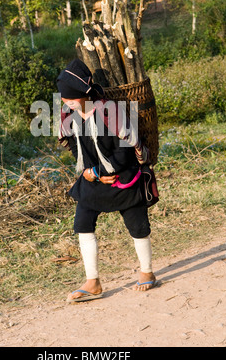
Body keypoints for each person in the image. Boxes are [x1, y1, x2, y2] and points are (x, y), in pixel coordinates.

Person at [57, 59, 157, 302]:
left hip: (123, 177)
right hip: (93, 178)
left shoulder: (110, 112)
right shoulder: (69, 114)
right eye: (62, 98)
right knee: (82, 223)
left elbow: (124, 152)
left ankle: (147, 272)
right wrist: (90, 172)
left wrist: (101, 171)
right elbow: (72, 144)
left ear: (82, 94)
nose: (65, 102)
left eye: (69, 97)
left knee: (138, 226)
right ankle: (93, 282)